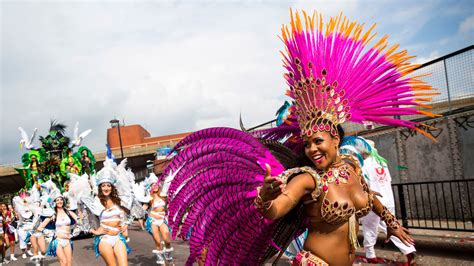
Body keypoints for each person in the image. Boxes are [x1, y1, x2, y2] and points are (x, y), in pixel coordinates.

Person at [156, 10, 437, 265]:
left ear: (336, 139)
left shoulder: (350, 168)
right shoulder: (307, 179)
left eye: (318, 141)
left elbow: (369, 198)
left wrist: (393, 224)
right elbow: (277, 209)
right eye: (307, 143)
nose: (312, 148)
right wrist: (265, 199)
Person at [357, 139, 417, 264]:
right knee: (392, 226)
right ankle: (409, 251)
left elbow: (363, 186)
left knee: (369, 228)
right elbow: (387, 181)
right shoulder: (381, 163)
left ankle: (371, 254)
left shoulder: (362, 165)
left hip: (373, 202)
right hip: (388, 200)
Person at [89, 166, 130, 266]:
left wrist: (125, 227)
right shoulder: (96, 202)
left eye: (108, 185)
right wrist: (94, 231)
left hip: (118, 238)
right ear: (100, 187)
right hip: (105, 239)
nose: (106, 188)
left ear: (112, 188)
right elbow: (84, 221)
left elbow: (125, 217)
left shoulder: (118, 200)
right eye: (103, 186)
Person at [39, 192, 78, 266]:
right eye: (57, 200)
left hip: (67, 241)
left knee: (69, 264)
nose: (60, 201)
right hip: (58, 241)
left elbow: (79, 220)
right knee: (64, 263)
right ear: (54, 202)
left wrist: (74, 232)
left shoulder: (68, 212)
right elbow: (40, 227)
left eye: (61, 199)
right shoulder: (52, 214)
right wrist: (51, 234)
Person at [144, 183, 173, 265]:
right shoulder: (149, 198)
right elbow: (144, 208)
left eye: (156, 184)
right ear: (150, 187)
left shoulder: (164, 196)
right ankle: (162, 262)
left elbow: (172, 202)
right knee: (158, 242)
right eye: (152, 185)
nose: (154, 186)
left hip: (162, 220)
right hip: (153, 221)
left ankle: (169, 259)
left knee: (167, 241)